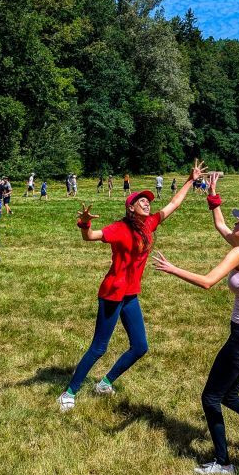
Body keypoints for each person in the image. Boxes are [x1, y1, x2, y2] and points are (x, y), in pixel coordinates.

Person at [152, 172, 239, 475]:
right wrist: (212, 194)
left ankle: (224, 462)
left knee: (211, 397)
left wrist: (173, 268)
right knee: (229, 395)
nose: (234, 224)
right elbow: (220, 225)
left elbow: (207, 282)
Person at [58, 160, 207, 412]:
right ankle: (69, 393)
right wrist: (85, 223)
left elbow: (174, 204)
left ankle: (105, 383)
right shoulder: (120, 228)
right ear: (131, 208)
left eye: (148, 200)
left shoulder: (148, 224)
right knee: (99, 348)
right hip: (112, 293)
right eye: (141, 201)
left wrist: (190, 180)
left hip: (130, 295)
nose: (147, 203)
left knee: (140, 346)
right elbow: (90, 237)